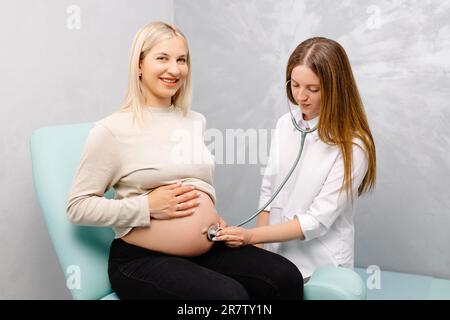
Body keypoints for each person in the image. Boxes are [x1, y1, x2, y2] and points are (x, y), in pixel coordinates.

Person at [66, 21, 303, 300]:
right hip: (141, 260)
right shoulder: (111, 130)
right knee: (227, 297)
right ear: (139, 65)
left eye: (182, 60)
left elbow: (196, 183)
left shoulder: (194, 121)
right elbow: (77, 208)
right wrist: (146, 206)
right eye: (162, 58)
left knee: (285, 278)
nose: (175, 69)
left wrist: (212, 217)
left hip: (206, 249)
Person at [214, 37, 377, 280]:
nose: (301, 96)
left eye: (313, 89)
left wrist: (250, 237)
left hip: (320, 267)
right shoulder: (285, 124)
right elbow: (269, 191)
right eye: (295, 85)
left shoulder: (353, 146)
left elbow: (317, 220)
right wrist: (258, 255)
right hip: (277, 259)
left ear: (336, 88)